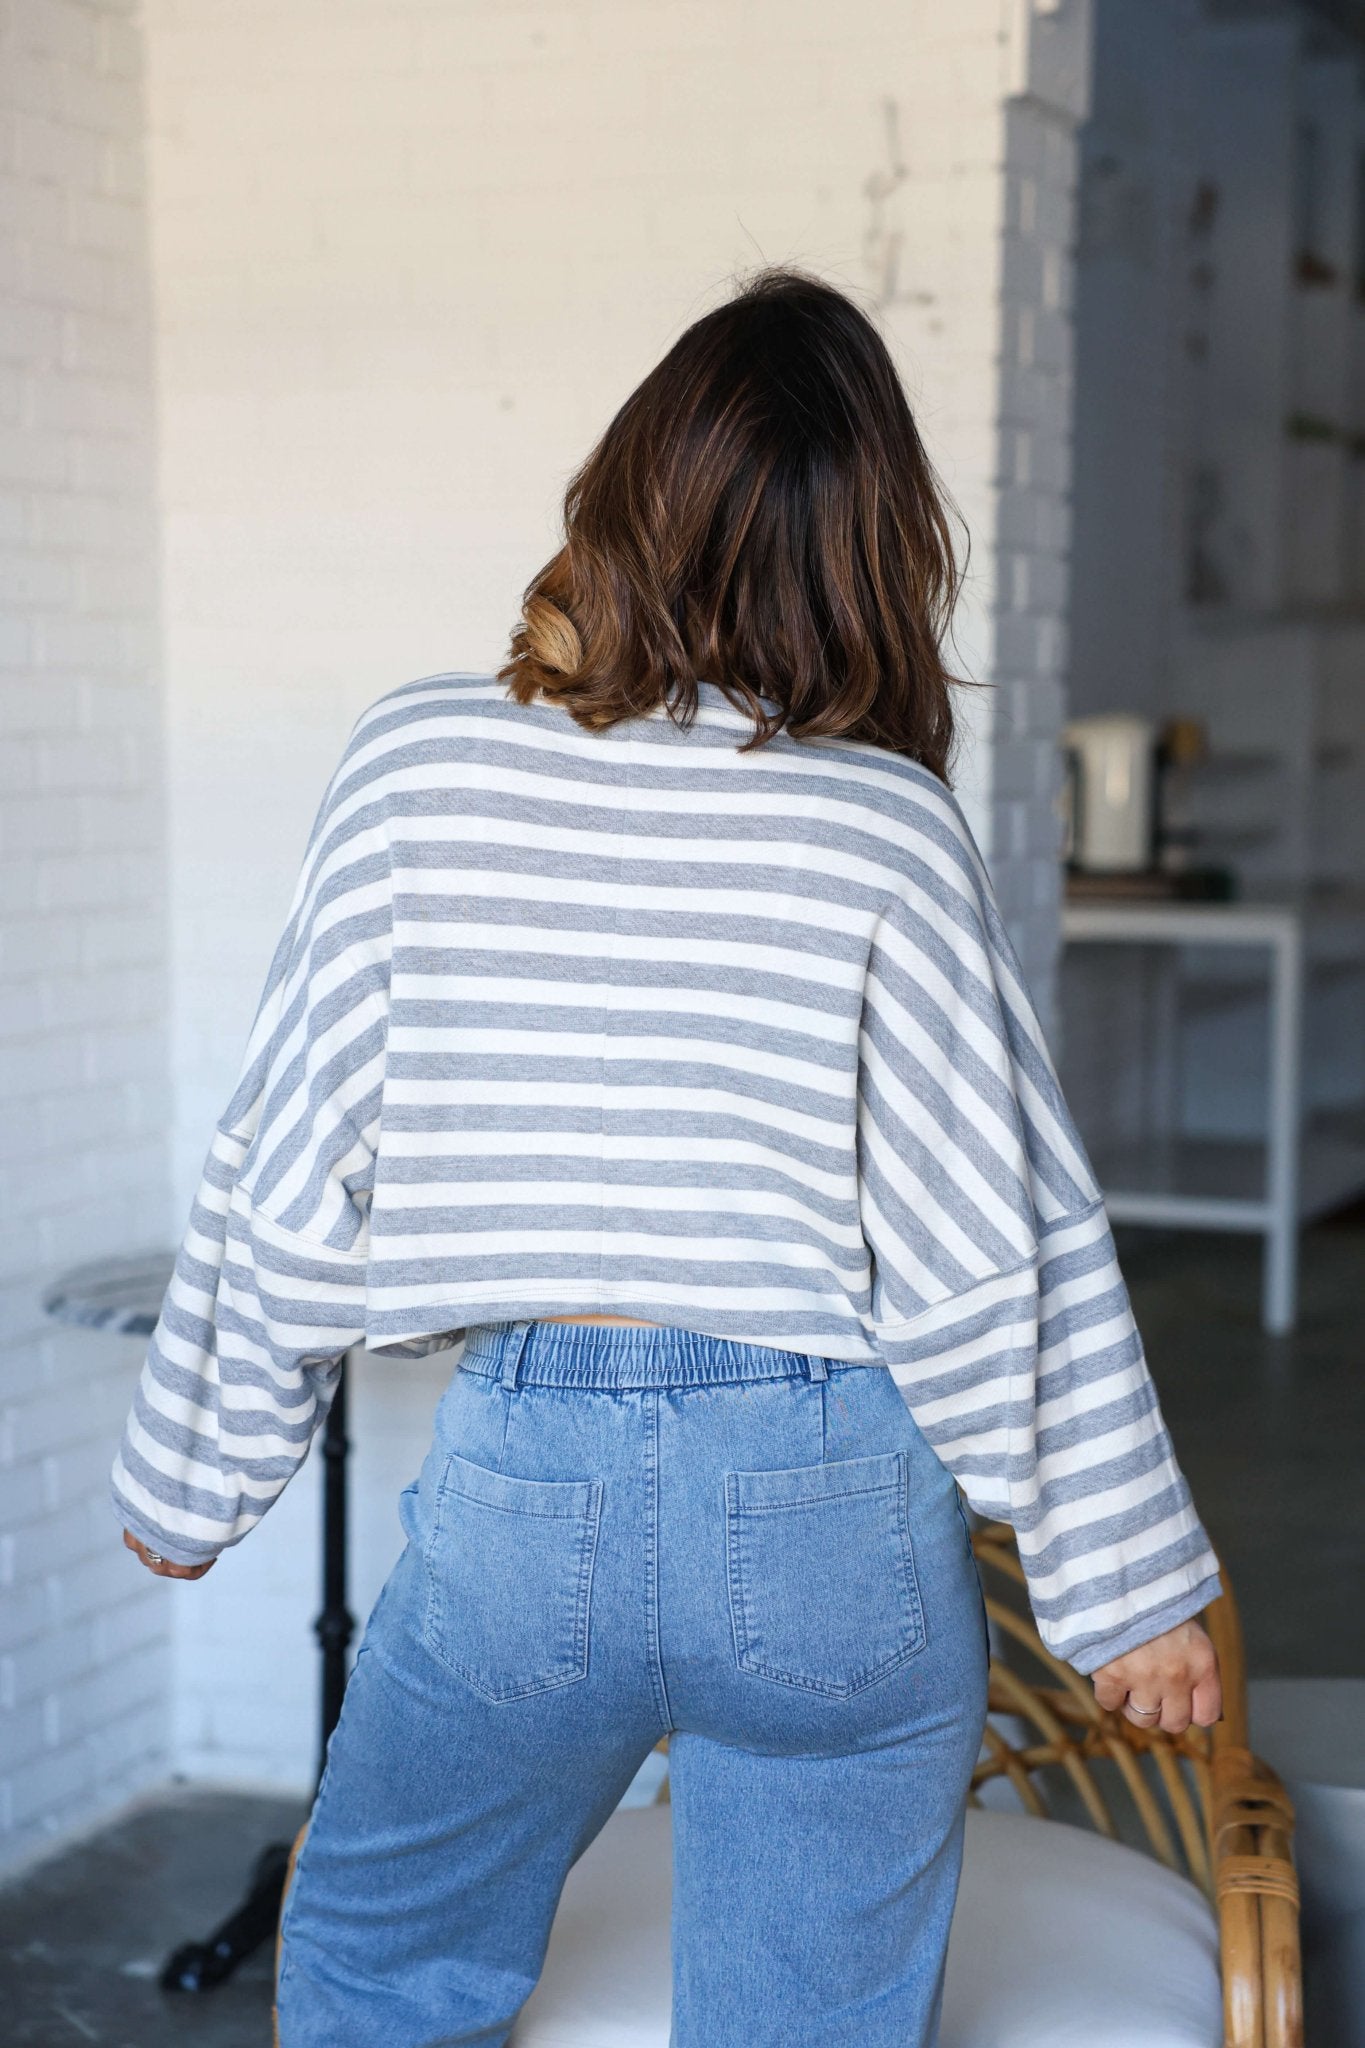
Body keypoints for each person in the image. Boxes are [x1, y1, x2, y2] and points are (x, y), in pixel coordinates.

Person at [109, 265, 1223, 2048]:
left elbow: (289, 1156)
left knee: (381, 1969)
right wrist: (1127, 1586)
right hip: (834, 1512)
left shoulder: (418, 768)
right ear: (873, 557)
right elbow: (997, 1235)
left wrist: (193, 1471)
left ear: (618, 499)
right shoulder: (885, 824)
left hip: (527, 1494)